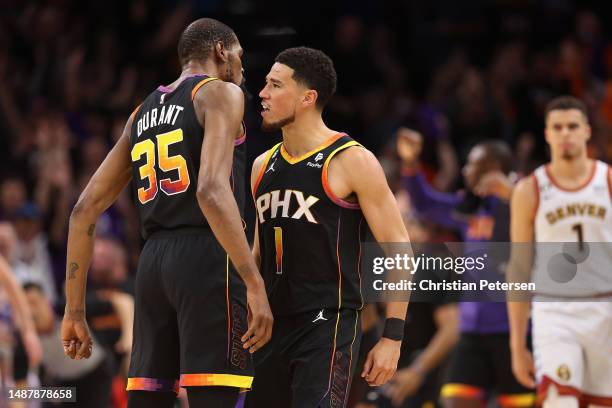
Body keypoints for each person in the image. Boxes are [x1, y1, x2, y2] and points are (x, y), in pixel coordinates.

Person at [60, 18, 273, 408]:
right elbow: (210, 189)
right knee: (215, 396)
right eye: (240, 56)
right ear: (221, 51)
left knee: (148, 399)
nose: (243, 68)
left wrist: (74, 310)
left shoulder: (142, 110)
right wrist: (253, 280)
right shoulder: (220, 92)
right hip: (208, 256)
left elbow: (83, 209)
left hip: (153, 264)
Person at [246, 47, 410, 408]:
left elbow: (400, 248)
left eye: (275, 85)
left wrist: (392, 338)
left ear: (307, 98)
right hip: (270, 326)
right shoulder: (261, 165)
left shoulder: (352, 159)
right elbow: (259, 253)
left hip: (326, 325)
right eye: (265, 84)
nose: (263, 94)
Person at [397, 129, 535, 407]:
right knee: (454, 401)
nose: (465, 169)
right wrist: (411, 164)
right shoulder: (470, 207)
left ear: (493, 168)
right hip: (471, 331)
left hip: (516, 332)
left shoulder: (527, 200)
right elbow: (427, 204)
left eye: (473, 164)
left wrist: (512, 195)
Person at [508, 96, 612, 406]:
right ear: (547, 134)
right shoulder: (530, 189)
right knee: (558, 402)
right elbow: (518, 267)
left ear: (587, 131)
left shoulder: (607, 181)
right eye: (558, 127)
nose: (565, 133)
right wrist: (516, 342)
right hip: (554, 311)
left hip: (605, 307)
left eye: (572, 126)